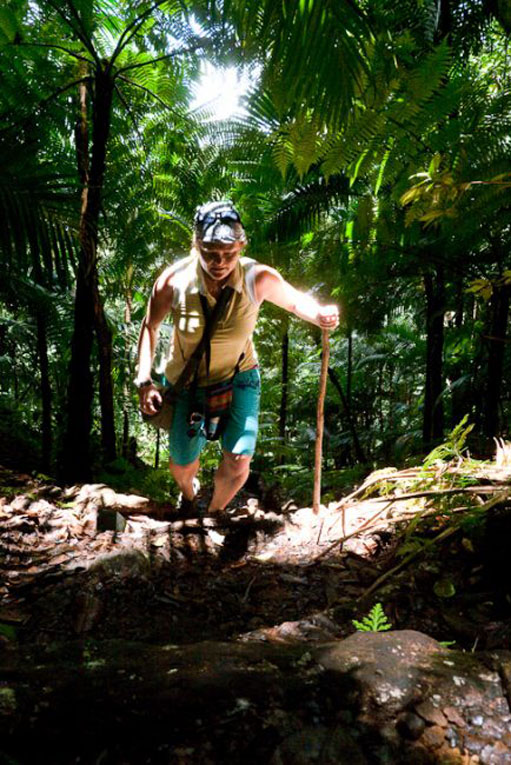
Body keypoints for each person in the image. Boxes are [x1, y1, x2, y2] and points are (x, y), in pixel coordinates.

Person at [135, 200, 339, 518]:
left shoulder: (256, 278)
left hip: (239, 375)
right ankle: (189, 496)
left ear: (241, 246)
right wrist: (145, 381)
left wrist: (320, 313)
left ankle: (213, 512)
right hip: (187, 383)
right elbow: (150, 326)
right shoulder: (173, 282)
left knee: (239, 458)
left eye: (229, 254)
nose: (220, 262)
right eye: (210, 253)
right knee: (181, 464)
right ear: (196, 245)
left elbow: (296, 302)